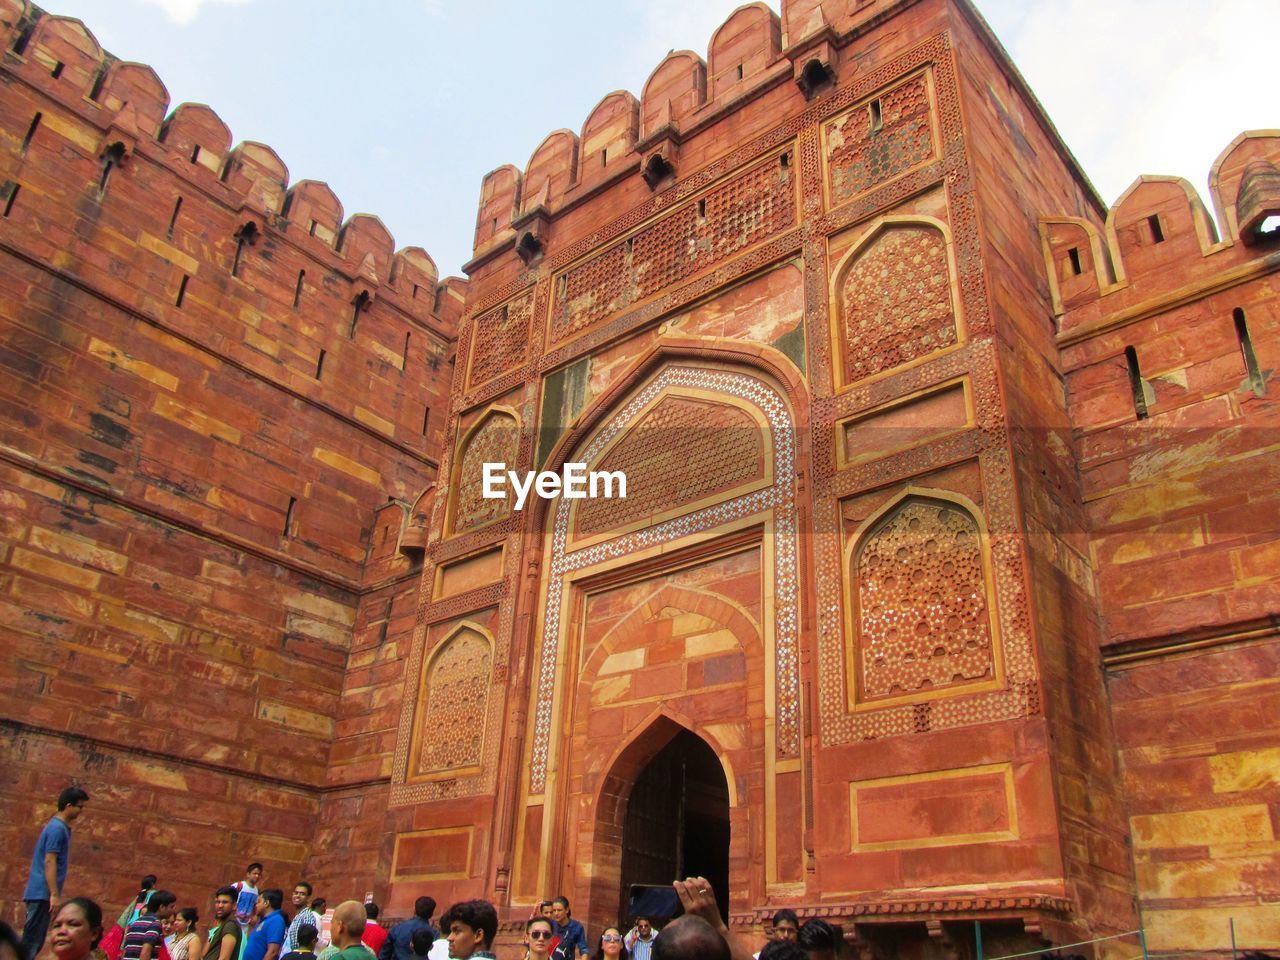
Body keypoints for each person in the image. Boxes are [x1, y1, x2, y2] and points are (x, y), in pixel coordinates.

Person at [21, 786, 89, 960]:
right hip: (41, 892)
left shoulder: (58, 827)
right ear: (68, 806)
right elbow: (49, 861)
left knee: (34, 939)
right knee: (32, 940)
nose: (81, 811)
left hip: (40, 892)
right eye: (79, 807)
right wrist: (53, 893)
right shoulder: (57, 829)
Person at [122, 891, 177, 960]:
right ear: (162, 907)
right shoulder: (155, 923)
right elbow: (145, 953)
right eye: (171, 907)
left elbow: (126, 951)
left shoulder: (135, 923)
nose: (174, 910)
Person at [243, 891, 286, 960]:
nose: (256, 905)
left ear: (266, 903)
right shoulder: (263, 920)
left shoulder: (276, 920)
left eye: (259, 902)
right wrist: (251, 925)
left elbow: (273, 952)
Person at [205, 888, 243, 960]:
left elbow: (224, 958)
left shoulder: (230, 925)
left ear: (234, 905)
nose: (220, 906)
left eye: (225, 902)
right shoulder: (224, 925)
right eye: (218, 902)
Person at [284, 885, 318, 953]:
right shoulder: (298, 916)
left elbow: (306, 945)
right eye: (296, 893)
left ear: (308, 898)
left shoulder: (307, 917)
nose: (298, 896)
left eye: (302, 894)